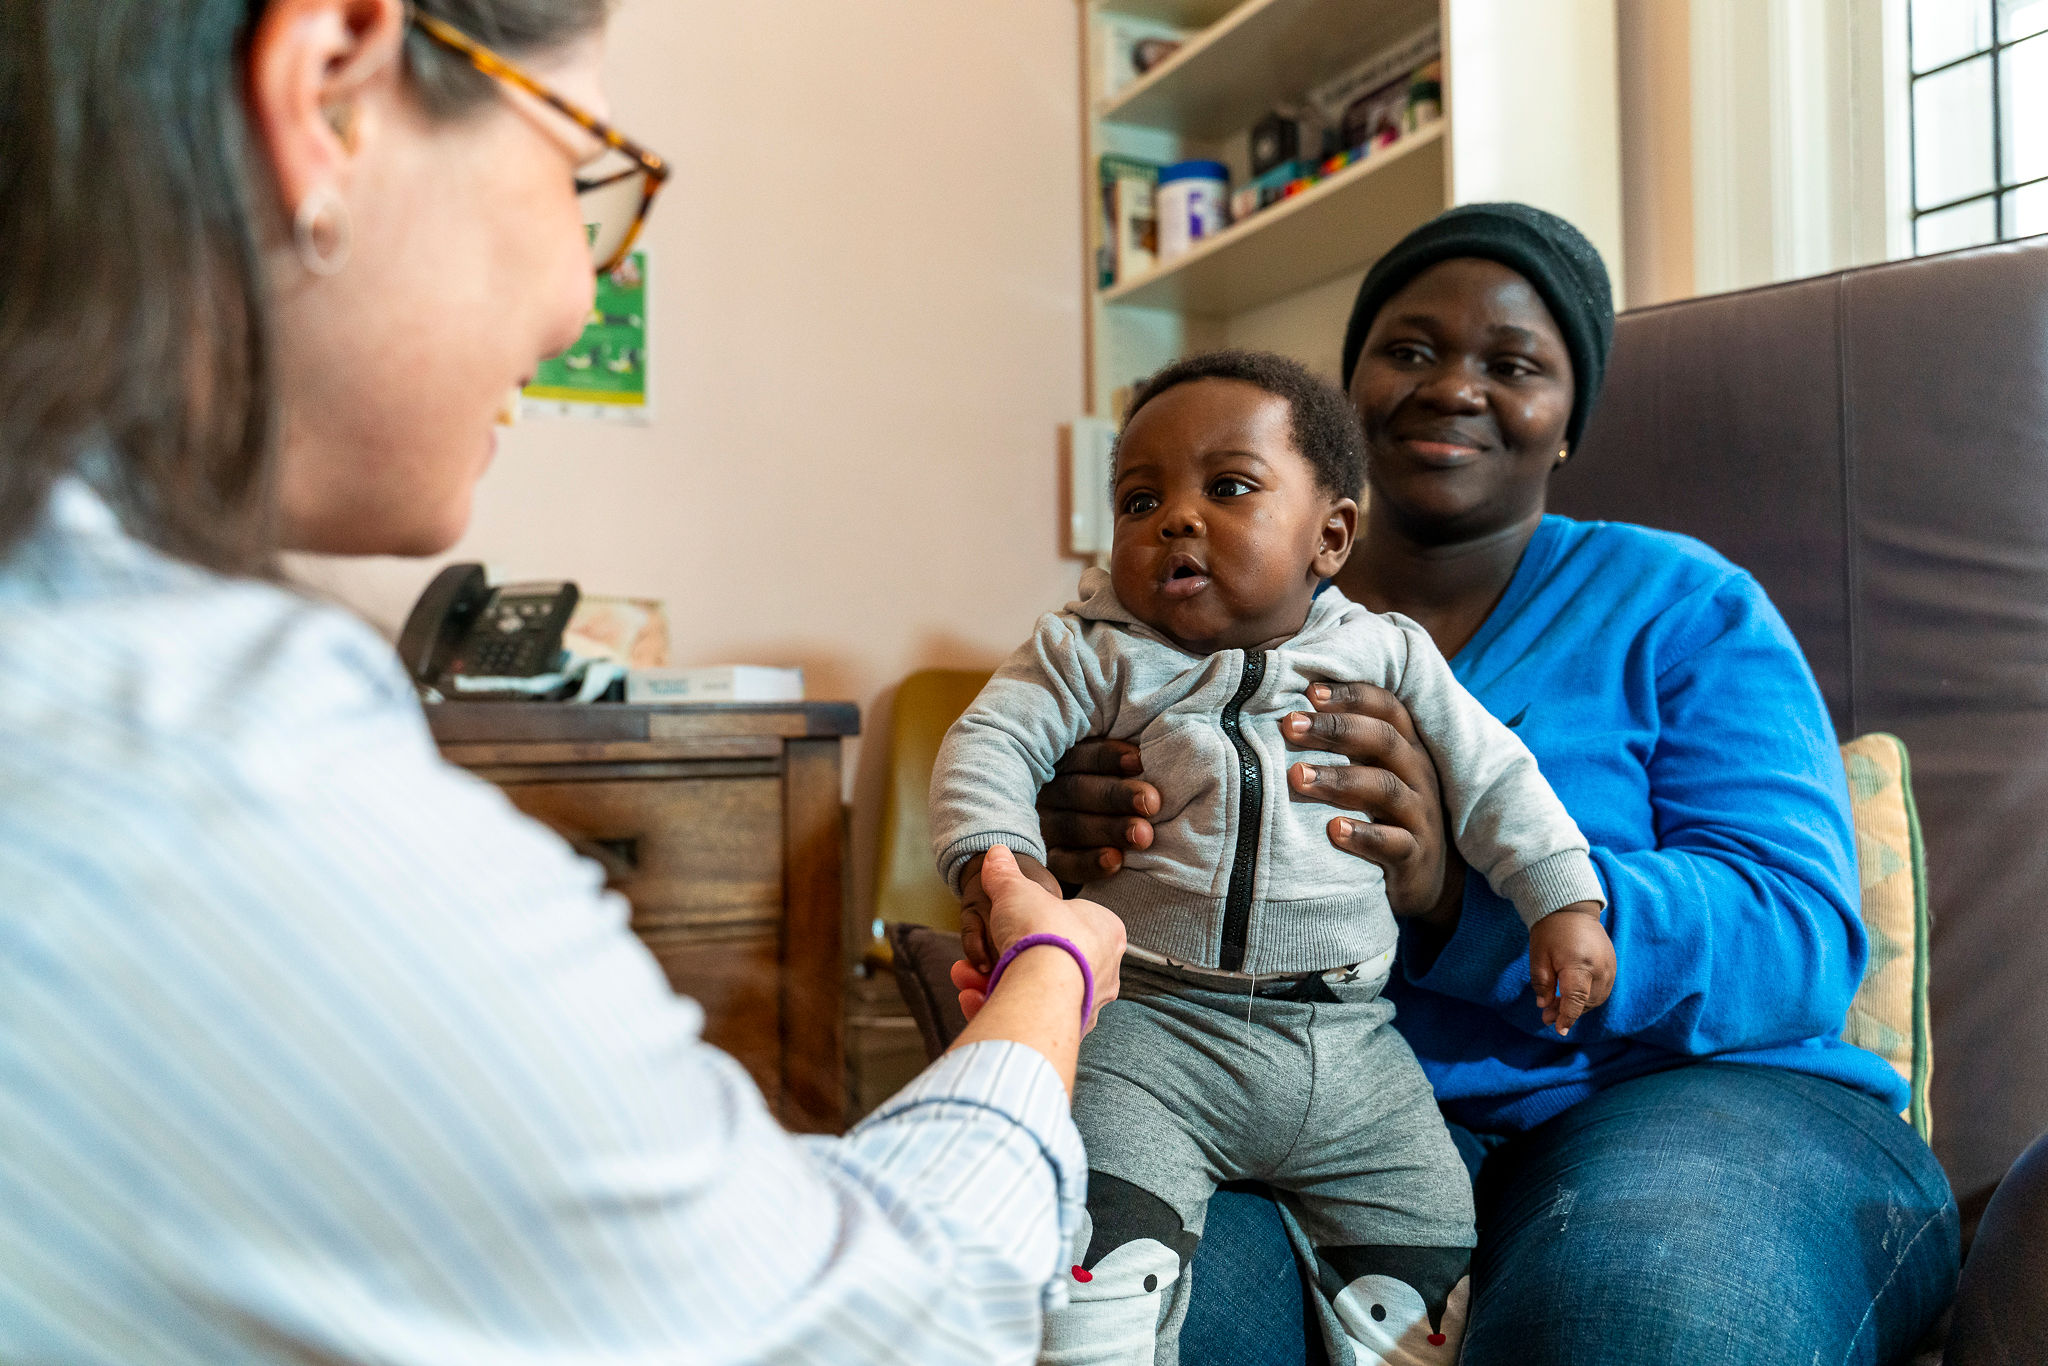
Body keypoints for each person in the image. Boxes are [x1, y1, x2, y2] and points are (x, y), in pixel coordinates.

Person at [0, 3, 1127, 1363]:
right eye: (584, 172)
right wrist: (1051, 972)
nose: (584, 296)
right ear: (327, 85)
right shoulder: (232, 768)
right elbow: (899, 1325)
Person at [1035, 204, 1960, 1364]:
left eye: (1512, 364)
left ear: (1566, 420)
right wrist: (1077, 843)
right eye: (1408, 351)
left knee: (1631, 1318)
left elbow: (1798, 938)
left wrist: (1458, 897)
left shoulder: (1681, 604)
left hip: (1695, 1103)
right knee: (1140, 1321)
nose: (1451, 388)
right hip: (1281, 1107)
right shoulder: (1170, 611)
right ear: (1345, 395)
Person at [931, 349, 1616, 1365]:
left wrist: (1561, 901)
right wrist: (1002, 866)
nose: (1174, 518)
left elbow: (1495, 777)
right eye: (1137, 498)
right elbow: (989, 743)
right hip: (1150, 1036)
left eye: (1228, 487)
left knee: (1426, 1249)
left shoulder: (1385, 655)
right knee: (1092, 1262)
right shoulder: (1091, 652)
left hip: (1348, 1049)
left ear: (1329, 535)